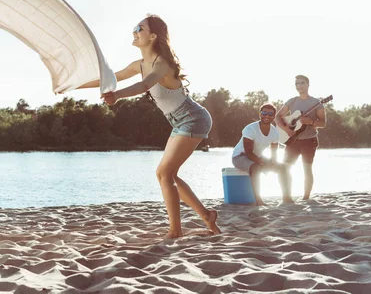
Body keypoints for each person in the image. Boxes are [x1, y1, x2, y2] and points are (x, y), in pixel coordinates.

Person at [77, 15, 220, 239]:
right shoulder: (139, 65)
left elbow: (144, 84)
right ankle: (206, 215)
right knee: (167, 174)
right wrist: (72, 86)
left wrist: (117, 95)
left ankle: (175, 231)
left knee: (165, 174)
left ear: (153, 36)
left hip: (193, 117)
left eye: (139, 28)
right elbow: (111, 77)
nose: (134, 31)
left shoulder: (162, 62)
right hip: (179, 120)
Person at [276, 75, 327, 200]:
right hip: (292, 141)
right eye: (297, 83)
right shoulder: (292, 101)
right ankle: (287, 196)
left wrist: (310, 122)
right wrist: (286, 129)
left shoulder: (316, 103)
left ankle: (305, 198)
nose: (299, 85)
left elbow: (323, 123)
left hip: (309, 140)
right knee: (285, 167)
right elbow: (277, 116)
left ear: (308, 85)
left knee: (307, 168)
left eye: (302, 83)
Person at [232, 103, 293, 205]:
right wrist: (261, 162)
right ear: (260, 114)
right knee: (256, 167)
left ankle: (286, 198)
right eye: (264, 113)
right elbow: (248, 152)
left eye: (270, 114)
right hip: (240, 157)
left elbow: (274, 153)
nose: (267, 116)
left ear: (274, 116)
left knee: (282, 167)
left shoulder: (274, 132)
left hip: (257, 156)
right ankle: (258, 200)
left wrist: (273, 163)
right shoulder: (250, 129)